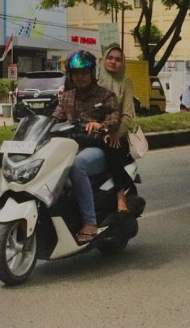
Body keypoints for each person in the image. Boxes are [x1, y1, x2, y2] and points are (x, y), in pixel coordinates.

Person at [52, 50, 120, 244]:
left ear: (92, 73)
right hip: (70, 146)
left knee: (77, 165)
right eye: (75, 73)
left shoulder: (105, 96)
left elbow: (114, 116)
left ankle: (90, 222)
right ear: (70, 75)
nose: (80, 77)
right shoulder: (66, 97)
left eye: (84, 72)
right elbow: (55, 117)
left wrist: (102, 125)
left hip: (98, 148)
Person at [97, 46, 138, 214]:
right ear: (104, 60)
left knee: (110, 149)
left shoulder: (126, 83)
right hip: (92, 130)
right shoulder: (96, 80)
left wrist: (115, 134)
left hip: (117, 134)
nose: (113, 62)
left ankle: (120, 196)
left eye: (118, 59)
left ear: (122, 64)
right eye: (110, 57)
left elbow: (128, 115)